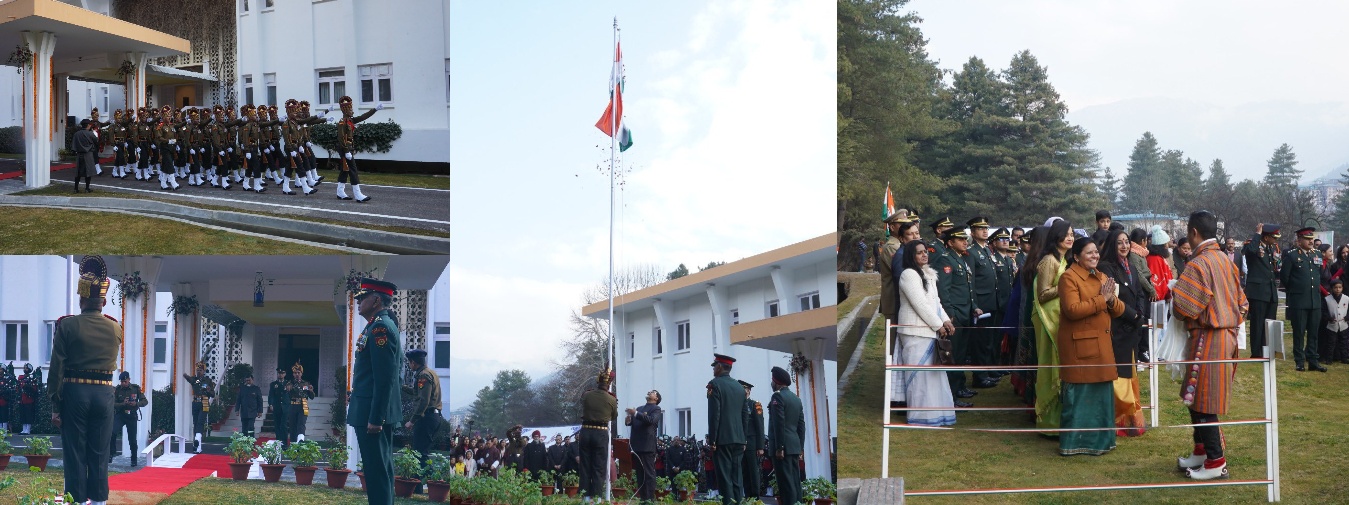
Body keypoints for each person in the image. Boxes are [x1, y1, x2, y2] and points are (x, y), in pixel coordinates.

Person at [1173, 210, 1248, 480]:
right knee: (1197, 398)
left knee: (1204, 400)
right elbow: (1243, 302)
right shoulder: (1226, 260)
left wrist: (1175, 294)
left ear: (1193, 232)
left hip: (1209, 336)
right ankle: (1203, 451)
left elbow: (1184, 307)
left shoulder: (1199, 263)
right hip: (1225, 335)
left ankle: (1216, 461)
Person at [49, 256, 122, 505]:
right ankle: (100, 502)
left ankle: (78, 501)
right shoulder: (115, 328)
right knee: (100, 452)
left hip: (75, 393)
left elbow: (57, 368)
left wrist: (55, 405)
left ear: (81, 299)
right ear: (103, 301)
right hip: (104, 394)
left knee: (75, 453)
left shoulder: (66, 326)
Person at [1056, 239, 1125, 456]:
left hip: (1102, 346)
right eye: (1089, 253)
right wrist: (1102, 299)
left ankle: (1101, 442)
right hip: (1080, 349)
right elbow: (1072, 310)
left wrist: (1110, 300)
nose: (1095, 256)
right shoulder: (1068, 278)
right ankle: (1074, 444)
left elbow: (1119, 309)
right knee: (1079, 398)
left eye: (1096, 252)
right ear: (1076, 256)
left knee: (1101, 398)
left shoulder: (1101, 276)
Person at [348, 277, 403, 505]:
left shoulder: (380, 327)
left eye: (363, 298)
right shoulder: (376, 324)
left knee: (377, 471)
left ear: (377, 300)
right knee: (379, 470)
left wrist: (376, 417)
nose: (358, 302)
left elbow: (385, 377)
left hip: (372, 413)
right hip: (369, 409)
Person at [897, 239, 958, 424]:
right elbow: (920, 304)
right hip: (915, 331)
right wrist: (938, 325)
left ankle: (938, 415)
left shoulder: (929, 274)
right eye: (919, 252)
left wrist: (946, 320)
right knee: (919, 377)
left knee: (934, 376)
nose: (925, 254)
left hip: (930, 330)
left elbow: (936, 302)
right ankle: (920, 416)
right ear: (911, 256)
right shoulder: (908, 274)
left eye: (925, 251)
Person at [1096, 229, 1149, 436]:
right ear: (1111, 245)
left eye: (1127, 242)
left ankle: (1131, 418)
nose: (1124, 246)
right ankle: (1119, 420)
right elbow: (1110, 299)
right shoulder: (1105, 268)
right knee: (1118, 375)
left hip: (1132, 328)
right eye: (1119, 243)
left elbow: (1139, 295)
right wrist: (1132, 315)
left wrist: (1140, 315)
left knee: (1130, 373)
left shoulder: (1132, 267)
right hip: (1116, 328)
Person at [1032, 220, 1072, 434]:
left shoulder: (1063, 259)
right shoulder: (1049, 261)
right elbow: (1042, 294)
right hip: (1048, 319)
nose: (1071, 238)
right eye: (1067, 234)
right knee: (1051, 367)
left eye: (1072, 234)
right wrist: (1065, 285)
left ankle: (1061, 420)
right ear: (1056, 236)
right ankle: (1049, 422)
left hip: (1060, 317)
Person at [934, 227, 978, 404]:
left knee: (960, 354)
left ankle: (959, 386)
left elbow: (968, 287)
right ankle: (951, 394)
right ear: (951, 242)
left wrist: (974, 306)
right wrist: (949, 314)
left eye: (965, 239)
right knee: (952, 355)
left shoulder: (961, 259)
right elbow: (944, 291)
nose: (965, 242)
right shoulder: (945, 260)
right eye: (960, 240)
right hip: (956, 315)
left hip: (966, 312)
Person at [1282, 227, 1326, 372]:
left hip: (1315, 301)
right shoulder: (1292, 256)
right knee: (1299, 332)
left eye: (1312, 239)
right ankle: (1299, 361)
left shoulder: (1317, 254)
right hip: (1299, 301)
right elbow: (1285, 278)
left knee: (1314, 332)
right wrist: (1296, 291)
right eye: (1307, 239)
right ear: (1299, 241)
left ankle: (1313, 360)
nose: (1311, 241)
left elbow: (1317, 274)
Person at [966, 217, 1003, 389]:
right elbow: (971, 281)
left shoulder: (987, 251)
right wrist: (974, 305)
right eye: (980, 228)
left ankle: (986, 372)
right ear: (972, 232)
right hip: (981, 304)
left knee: (989, 340)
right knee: (980, 342)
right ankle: (979, 376)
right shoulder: (971, 252)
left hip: (991, 302)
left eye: (986, 228)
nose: (985, 231)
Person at [706, 353, 746, 505]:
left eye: (714, 366)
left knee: (724, 478)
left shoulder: (714, 384)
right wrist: (743, 438)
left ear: (720, 367)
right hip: (738, 438)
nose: (713, 369)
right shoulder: (739, 387)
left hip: (722, 438)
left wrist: (713, 439)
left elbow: (714, 415)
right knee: (736, 477)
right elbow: (744, 416)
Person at [403, 347, 443, 492]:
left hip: (426, 417)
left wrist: (411, 420)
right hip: (433, 416)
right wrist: (401, 387)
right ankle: (417, 488)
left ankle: (438, 484)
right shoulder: (430, 373)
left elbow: (423, 401)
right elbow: (417, 393)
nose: (409, 365)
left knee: (421, 454)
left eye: (409, 362)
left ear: (413, 362)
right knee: (419, 453)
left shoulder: (423, 376)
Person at [878, 212, 907, 407]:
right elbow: (900, 272)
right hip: (893, 302)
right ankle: (892, 395)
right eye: (902, 224)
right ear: (893, 226)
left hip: (898, 302)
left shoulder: (899, 246)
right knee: (893, 348)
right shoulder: (891, 247)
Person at [330, 96, 383, 202]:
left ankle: (340, 192)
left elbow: (363, 117)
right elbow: (341, 138)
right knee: (353, 169)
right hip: (344, 148)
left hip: (348, 148)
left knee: (345, 169)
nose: (352, 111)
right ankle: (358, 194)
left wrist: (375, 109)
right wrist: (346, 151)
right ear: (345, 110)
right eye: (350, 109)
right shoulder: (342, 122)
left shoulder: (350, 120)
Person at [767, 366, 804, 505]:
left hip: (782, 449)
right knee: (795, 482)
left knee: (786, 485)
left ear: (776, 381)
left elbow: (779, 424)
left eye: (772, 381)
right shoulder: (796, 399)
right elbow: (801, 425)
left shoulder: (778, 396)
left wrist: (779, 447)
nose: (771, 384)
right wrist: (800, 447)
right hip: (794, 446)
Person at [1243, 224, 1281, 358]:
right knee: (1257, 324)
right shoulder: (1252, 245)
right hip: (1258, 292)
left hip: (1270, 292)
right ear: (1265, 237)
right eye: (1273, 237)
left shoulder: (1271, 248)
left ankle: (1267, 350)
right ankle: (1256, 352)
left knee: (1269, 324)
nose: (1276, 239)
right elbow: (1250, 251)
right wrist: (1257, 234)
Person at [578, 370, 617, 500]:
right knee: (598, 466)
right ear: (609, 384)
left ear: (598, 381)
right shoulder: (612, 398)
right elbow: (613, 416)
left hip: (586, 431)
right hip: (600, 433)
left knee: (585, 466)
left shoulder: (587, 395)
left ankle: (585, 498)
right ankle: (597, 498)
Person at [625, 389, 663, 502]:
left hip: (647, 446)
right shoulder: (640, 408)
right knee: (640, 474)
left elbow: (651, 420)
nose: (649, 392)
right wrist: (628, 421)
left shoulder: (656, 409)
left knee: (649, 473)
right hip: (636, 445)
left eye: (653, 392)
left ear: (656, 398)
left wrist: (635, 413)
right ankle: (643, 498)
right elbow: (634, 422)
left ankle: (650, 499)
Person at [109, 371, 147, 466]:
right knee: (112, 432)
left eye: (125, 381)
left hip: (132, 416)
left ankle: (134, 459)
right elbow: (113, 404)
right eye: (122, 382)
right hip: (121, 415)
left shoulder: (135, 388)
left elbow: (145, 401)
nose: (123, 383)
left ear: (129, 380)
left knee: (132, 439)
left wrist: (136, 404)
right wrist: (123, 404)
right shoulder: (117, 390)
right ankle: (111, 453)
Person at [738, 382, 764, 500]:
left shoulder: (755, 405)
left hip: (752, 443)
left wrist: (760, 446)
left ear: (748, 391)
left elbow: (760, 426)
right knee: (744, 471)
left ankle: (755, 497)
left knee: (753, 470)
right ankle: (748, 496)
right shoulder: (737, 405)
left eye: (744, 389)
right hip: (740, 443)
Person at [183, 361, 215, 452]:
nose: (198, 371)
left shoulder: (208, 381)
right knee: (196, 423)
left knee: (201, 422)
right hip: (196, 402)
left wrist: (209, 390)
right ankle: (197, 446)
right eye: (197, 370)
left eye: (200, 370)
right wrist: (185, 375)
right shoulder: (195, 380)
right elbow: (190, 379)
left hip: (204, 401)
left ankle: (197, 441)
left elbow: (213, 394)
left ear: (204, 371)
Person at [287, 361, 315, 443]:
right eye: (295, 373)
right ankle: (293, 444)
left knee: (301, 424)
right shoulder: (290, 383)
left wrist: (311, 391)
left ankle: (300, 440)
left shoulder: (306, 383)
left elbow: (312, 397)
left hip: (303, 406)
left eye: (298, 372)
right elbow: (287, 391)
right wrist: (288, 388)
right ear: (293, 374)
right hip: (293, 406)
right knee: (293, 426)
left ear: (301, 373)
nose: (297, 374)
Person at [1323, 280, 1349, 365]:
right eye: (1335, 287)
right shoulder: (1327, 299)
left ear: (1342, 288)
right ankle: (1329, 359)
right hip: (1331, 325)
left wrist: (1347, 317)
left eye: (1340, 287)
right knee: (1331, 343)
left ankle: (1344, 358)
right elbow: (1324, 312)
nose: (1338, 289)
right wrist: (1329, 318)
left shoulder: (1346, 298)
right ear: (1332, 288)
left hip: (1344, 324)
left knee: (1344, 342)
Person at [1147, 226, 1174, 300]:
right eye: (1166, 243)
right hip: (1158, 298)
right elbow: (1158, 279)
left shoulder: (1159, 257)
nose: (1167, 246)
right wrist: (1166, 293)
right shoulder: (1154, 259)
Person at [232, 374, 262, 438]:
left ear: (252, 380)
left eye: (249, 380)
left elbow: (260, 401)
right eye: (247, 380)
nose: (248, 381)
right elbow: (238, 400)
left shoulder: (256, 389)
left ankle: (251, 442)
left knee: (251, 427)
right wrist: (237, 409)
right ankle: (244, 443)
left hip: (253, 411)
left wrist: (260, 411)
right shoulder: (242, 388)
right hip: (244, 411)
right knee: (244, 429)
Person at [72, 119, 99, 193]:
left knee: (78, 172)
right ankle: (87, 188)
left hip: (79, 154)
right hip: (88, 154)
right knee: (88, 171)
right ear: (88, 125)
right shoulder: (90, 133)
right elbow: (96, 140)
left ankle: (76, 188)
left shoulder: (77, 134)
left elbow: (74, 146)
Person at [267, 367, 289, 448]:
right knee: (277, 425)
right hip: (277, 407)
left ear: (285, 374)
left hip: (285, 407)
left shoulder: (288, 383)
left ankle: (285, 443)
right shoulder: (273, 384)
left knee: (284, 425)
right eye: (279, 373)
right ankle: (278, 442)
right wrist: (271, 404)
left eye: (282, 373)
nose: (280, 375)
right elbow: (271, 395)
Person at [17, 363, 40, 435]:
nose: (24, 369)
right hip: (22, 398)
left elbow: (34, 389)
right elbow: (18, 387)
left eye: (26, 368)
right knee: (22, 414)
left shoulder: (32, 378)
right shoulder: (21, 377)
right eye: (24, 368)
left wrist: (26, 386)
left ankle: (28, 429)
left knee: (28, 414)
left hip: (29, 398)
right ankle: (24, 429)